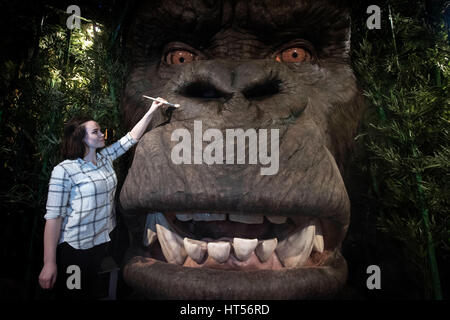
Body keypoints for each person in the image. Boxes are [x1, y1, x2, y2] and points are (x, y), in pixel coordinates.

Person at [38, 97, 178, 299]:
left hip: (100, 242)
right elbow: (53, 218)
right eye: (95, 132)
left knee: (89, 291)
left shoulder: (105, 159)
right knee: (73, 292)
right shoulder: (65, 170)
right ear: (81, 138)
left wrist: (152, 110)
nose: (101, 134)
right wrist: (49, 263)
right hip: (75, 248)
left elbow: (131, 138)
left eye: (99, 130)